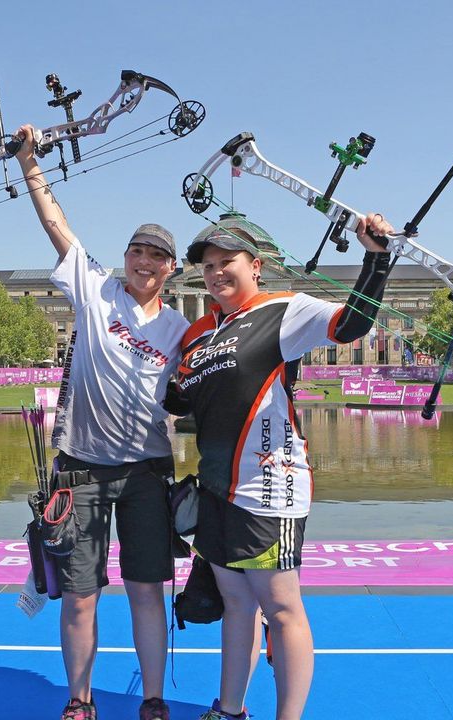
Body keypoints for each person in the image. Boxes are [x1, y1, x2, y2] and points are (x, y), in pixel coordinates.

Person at [166, 211, 393, 720]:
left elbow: (352, 323)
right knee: (236, 605)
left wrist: (375, 258)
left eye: (228, 262)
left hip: (269, 487)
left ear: (257, 266)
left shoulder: (284, 308)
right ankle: (229, 710)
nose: (217, 272)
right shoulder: (199, 331)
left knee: (281, 607)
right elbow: (181, 402)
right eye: (208, 265)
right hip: (216, 489)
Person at [13, 123, 190, 720]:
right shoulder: (95, 290)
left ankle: (153, 700)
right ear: (126, 258)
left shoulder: (180, 331)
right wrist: (29, 163)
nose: (145, 261)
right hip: (80, 474)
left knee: (147, 592)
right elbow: (55, 225)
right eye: (137, 251)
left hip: (145, 476)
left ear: (170, 270)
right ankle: (79, 700)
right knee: (80, 599)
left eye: (157, 255)